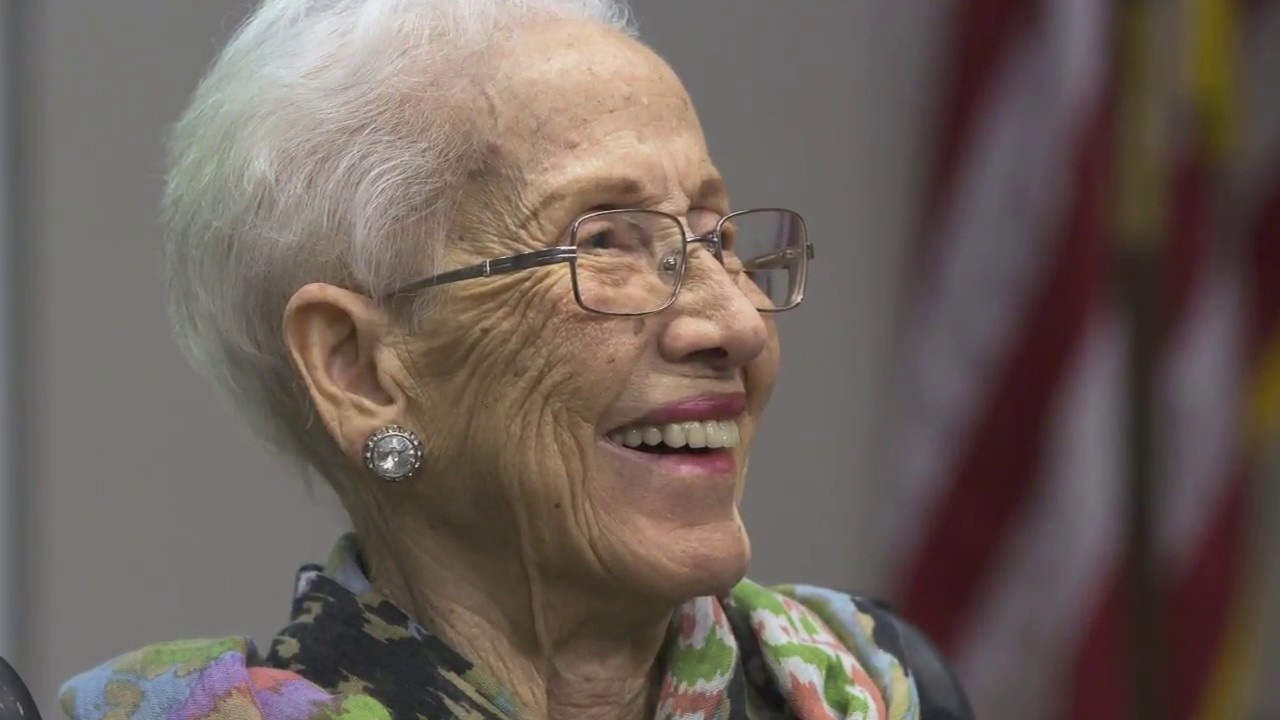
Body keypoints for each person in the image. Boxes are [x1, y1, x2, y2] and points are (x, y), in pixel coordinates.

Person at [60, 1, 971, 719]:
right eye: (605, 243)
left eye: (715, 238)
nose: (736, 323)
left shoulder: (874, 686)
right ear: (360, 369)